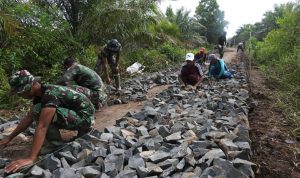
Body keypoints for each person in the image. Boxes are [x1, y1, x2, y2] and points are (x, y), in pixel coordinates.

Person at [0, 70, 95, 173]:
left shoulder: (49, 94)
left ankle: (56, 144)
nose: (20, 95)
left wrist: (31, 158)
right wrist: (9, 137)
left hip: (86, 118)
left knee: (39, 111)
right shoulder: (41, 93)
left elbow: (42, 126)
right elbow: (28, 118)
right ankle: (78, 131)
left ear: (29, 87)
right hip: (80, 115)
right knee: (37, 110)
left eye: (20, 92)